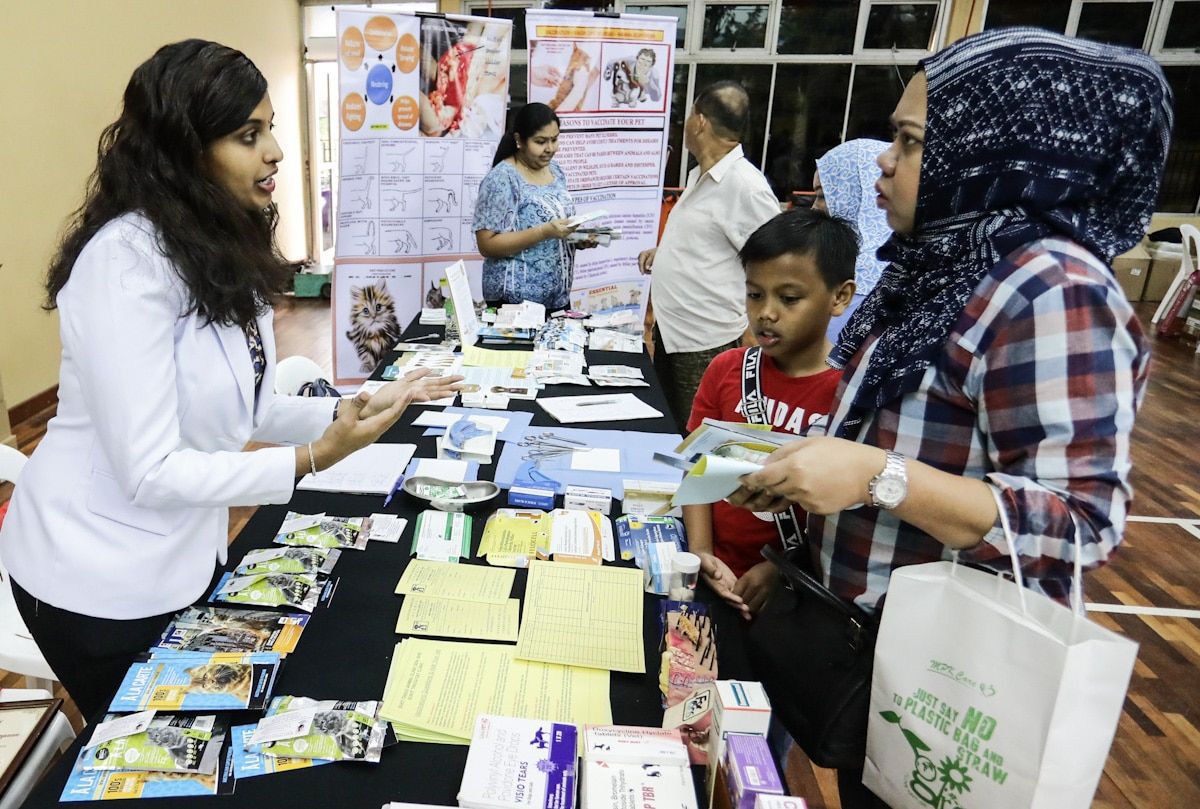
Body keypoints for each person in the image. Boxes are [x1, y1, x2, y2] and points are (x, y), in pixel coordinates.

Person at [729, 28, 1172, 808]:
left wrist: (878, 476)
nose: (884, 161)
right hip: (874, 659)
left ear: (995, 155)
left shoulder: (1051, 290)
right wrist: (800, 546)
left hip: (951, 687)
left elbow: (1080, 523)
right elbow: (885, 442)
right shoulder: (937, 271)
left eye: (909, 141)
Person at [0, 40, 460, 719]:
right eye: (249, 136)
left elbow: (246, 405)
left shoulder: (213, 241)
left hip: (180, 555)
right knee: (151, 746)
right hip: (93, 578)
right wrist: (310, 458)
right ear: (185, 150)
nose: (274, 152)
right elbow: (150, 472)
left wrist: (353, 407)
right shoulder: (123, 264)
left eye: (270, 128)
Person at [684, 208, 857, 620]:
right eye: (755, 294)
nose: (766, 312)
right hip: (717, 570)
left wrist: (782, 570)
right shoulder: (726, 369)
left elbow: (850, 515)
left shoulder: (850, 395)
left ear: (840, 297)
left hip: (797, 591)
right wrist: (701, 552)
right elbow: (696, 469)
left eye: (789, 298)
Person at [638, 81, 781, 428]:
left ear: (699, 122)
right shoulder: (700, 175)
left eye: (689, 115)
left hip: (706, 342)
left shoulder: (745, 186)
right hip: (674, 333)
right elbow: (715, 239)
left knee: (695, 437)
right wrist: (666, 253)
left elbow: (776, 263)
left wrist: (755, 332)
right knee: (669, 431)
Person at [473, 102, 596, 310]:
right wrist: (543, 232)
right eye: (540, 142)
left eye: (554, 139)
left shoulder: (555, 170)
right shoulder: (502, 179)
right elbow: (486, 245)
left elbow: (555, 227)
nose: (550, 149)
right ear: (519, 140)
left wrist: (576, 238)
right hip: (514, 305)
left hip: (557, 301)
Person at [812, 139, 891, 341]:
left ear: (853, 196)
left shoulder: (861, 277)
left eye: (822, 196)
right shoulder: (904, 262)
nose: (814, 208)